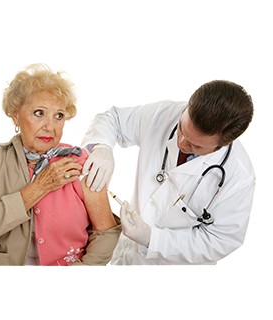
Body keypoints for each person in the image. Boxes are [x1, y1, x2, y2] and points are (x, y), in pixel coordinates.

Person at [81, 80, 255, 264]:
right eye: (181, 128)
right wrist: (102, 147)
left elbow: (219, 241)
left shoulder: (239, 177)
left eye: (195, 145)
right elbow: (112, 119)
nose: (181, 143)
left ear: (223, 144)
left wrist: (152, 239)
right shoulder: (165, 115)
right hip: (125, 257)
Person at [0, 63, 121, 266]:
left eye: (59, 116)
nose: (50, 127)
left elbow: (106, 234)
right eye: (39, 113)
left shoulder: (79, 162)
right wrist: (40, 186)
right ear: (15, 115)